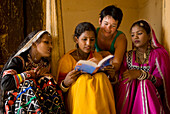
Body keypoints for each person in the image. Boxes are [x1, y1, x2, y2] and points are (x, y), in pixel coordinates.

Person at [57, 22, 116, 114]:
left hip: (98, 101)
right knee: (83, 79)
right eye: (84, 39)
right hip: (78, 99)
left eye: (92, 40)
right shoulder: (66, 60)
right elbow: (59, 90)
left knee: (101, 77)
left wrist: (111, 76)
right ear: (76, 39)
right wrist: (65, 83)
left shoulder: (97, 57)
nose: (88, 43)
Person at [1, 30, 65, 113]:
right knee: (29, 83)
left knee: (49, 81)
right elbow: (5, 84)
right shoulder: (19, 60)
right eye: (46, 42)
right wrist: (28, 74)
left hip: (40, 103)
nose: (51, 46)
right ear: (34, 44)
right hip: (17, 105)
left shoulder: (45, 64)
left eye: (51, 43)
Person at [115, 20, 170, 113]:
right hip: (131, 99)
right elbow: (122, 78)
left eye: (139, 33)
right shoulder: (128, 55)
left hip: (151, 96)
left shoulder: (158, 55)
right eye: (132, 35)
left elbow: (162, 83)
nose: (135, 37)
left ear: (149, 36)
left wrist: (141, 74)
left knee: (145, 84)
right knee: (127, 82)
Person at [95, 5, 127, 72]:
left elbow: (117, 64)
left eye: (113, 26)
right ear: (100, 21)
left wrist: (106, 69)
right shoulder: (93, 33)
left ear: (118, 26)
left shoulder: (120, 38)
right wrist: (102, 53)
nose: (108, 28)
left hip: (114, 72)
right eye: (106, 24)